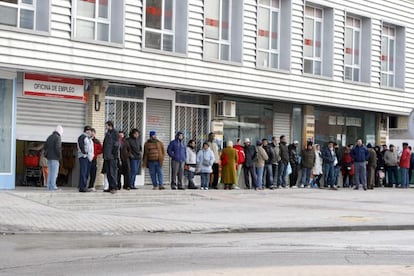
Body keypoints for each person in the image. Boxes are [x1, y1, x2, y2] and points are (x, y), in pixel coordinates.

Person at [44, 125, 63, 191]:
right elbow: (58, 148)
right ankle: (53, 186)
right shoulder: (58, 138)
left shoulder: (49, 137)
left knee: (50, 173)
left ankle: (49, 186)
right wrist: (60, 156)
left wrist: (46, 155)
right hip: (55, 158)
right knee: (54, 173)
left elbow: (45, 147)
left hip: (49, 158)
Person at [103, 121, 119, 194]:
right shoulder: (107, 133)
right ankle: (110, 187)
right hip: (107, 156)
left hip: (112, 156)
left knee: (112, 172)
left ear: (110, 125)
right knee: (108, 172)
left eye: (106, 125)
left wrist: (114, 154)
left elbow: (116, 144)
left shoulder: (115, 133)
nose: (105, 127)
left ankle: (114, 187)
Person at [77, 125, 94, 192]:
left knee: (86, 173)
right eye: (89, 130)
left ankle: (84, 186)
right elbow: (81, 146)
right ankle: (82, 187)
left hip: (88, 158)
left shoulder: (88, 138)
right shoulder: (82, 137)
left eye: (90, 131)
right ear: (86, 131)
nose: (90, 132)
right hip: (83, 157)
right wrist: (85, 153)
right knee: (83, 172)